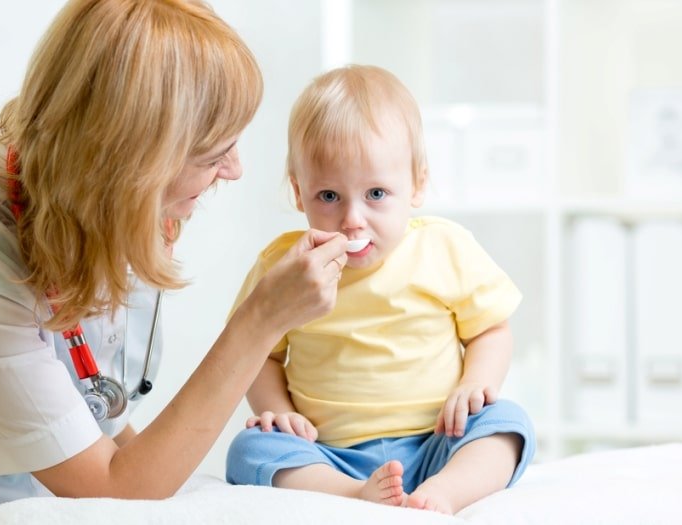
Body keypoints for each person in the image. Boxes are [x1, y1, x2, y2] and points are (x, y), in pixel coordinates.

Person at [0, 1, 351, 522]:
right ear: (133, 163)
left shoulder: (103, 207)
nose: (235, 169)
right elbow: (112, 486)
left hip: (53, 496)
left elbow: (99, 426)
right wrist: (261, 321)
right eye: (211, 155)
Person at [225, 65, 536, 515]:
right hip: (330, 454)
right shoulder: (287, 266)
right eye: (329, 197)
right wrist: (279, 411)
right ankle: (353, 495)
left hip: (438, 441)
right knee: (251, 448)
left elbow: (491, 330)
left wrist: (474, 385)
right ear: (299, 192)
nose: (352, 219)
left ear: (417, 184)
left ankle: (444, 493)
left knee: (508, 424)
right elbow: (259, 355)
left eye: (375, 194)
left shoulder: (443, 247)